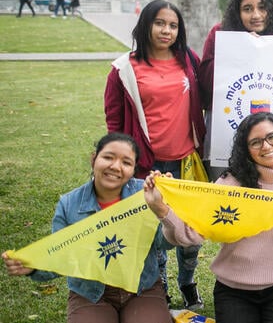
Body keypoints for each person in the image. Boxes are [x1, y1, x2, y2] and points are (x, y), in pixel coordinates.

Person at [144, 112, 273, 323]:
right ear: (246, 149)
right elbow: (193, 234)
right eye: (256, 142)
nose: (266, 146)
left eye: (272, 137)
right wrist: (162, 209)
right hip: (233, 290)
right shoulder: (229, 184)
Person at [2, 133, 171, 323]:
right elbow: (62, 255)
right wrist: (33, 268)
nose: (115, 167)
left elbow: (165, 243)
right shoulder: (69, 204)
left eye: (126, 162)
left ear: (133, 170)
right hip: (91, 293)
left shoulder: (145, 194)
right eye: (108, 157)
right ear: (94, 158)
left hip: (142, 288)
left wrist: (163, 209)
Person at [103, 0, 206, 310]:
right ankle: (159, 285)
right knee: (154, 230)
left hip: (185, 161)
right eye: (160, 23)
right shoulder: (123, 69)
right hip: (145, 167)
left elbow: (218, 79)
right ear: (146, 24)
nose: (166, 30)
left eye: (173, 25)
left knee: (190, 231)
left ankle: (187, 282)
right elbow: (114, 119)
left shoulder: (188, 60)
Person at [198, 0, 273, 180]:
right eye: (247, 9)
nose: (256, 15)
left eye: (262, 7)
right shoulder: (219, 33)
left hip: (267, 134)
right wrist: (240, 49)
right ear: (237, 13)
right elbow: (205, 81)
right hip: (224, 129)